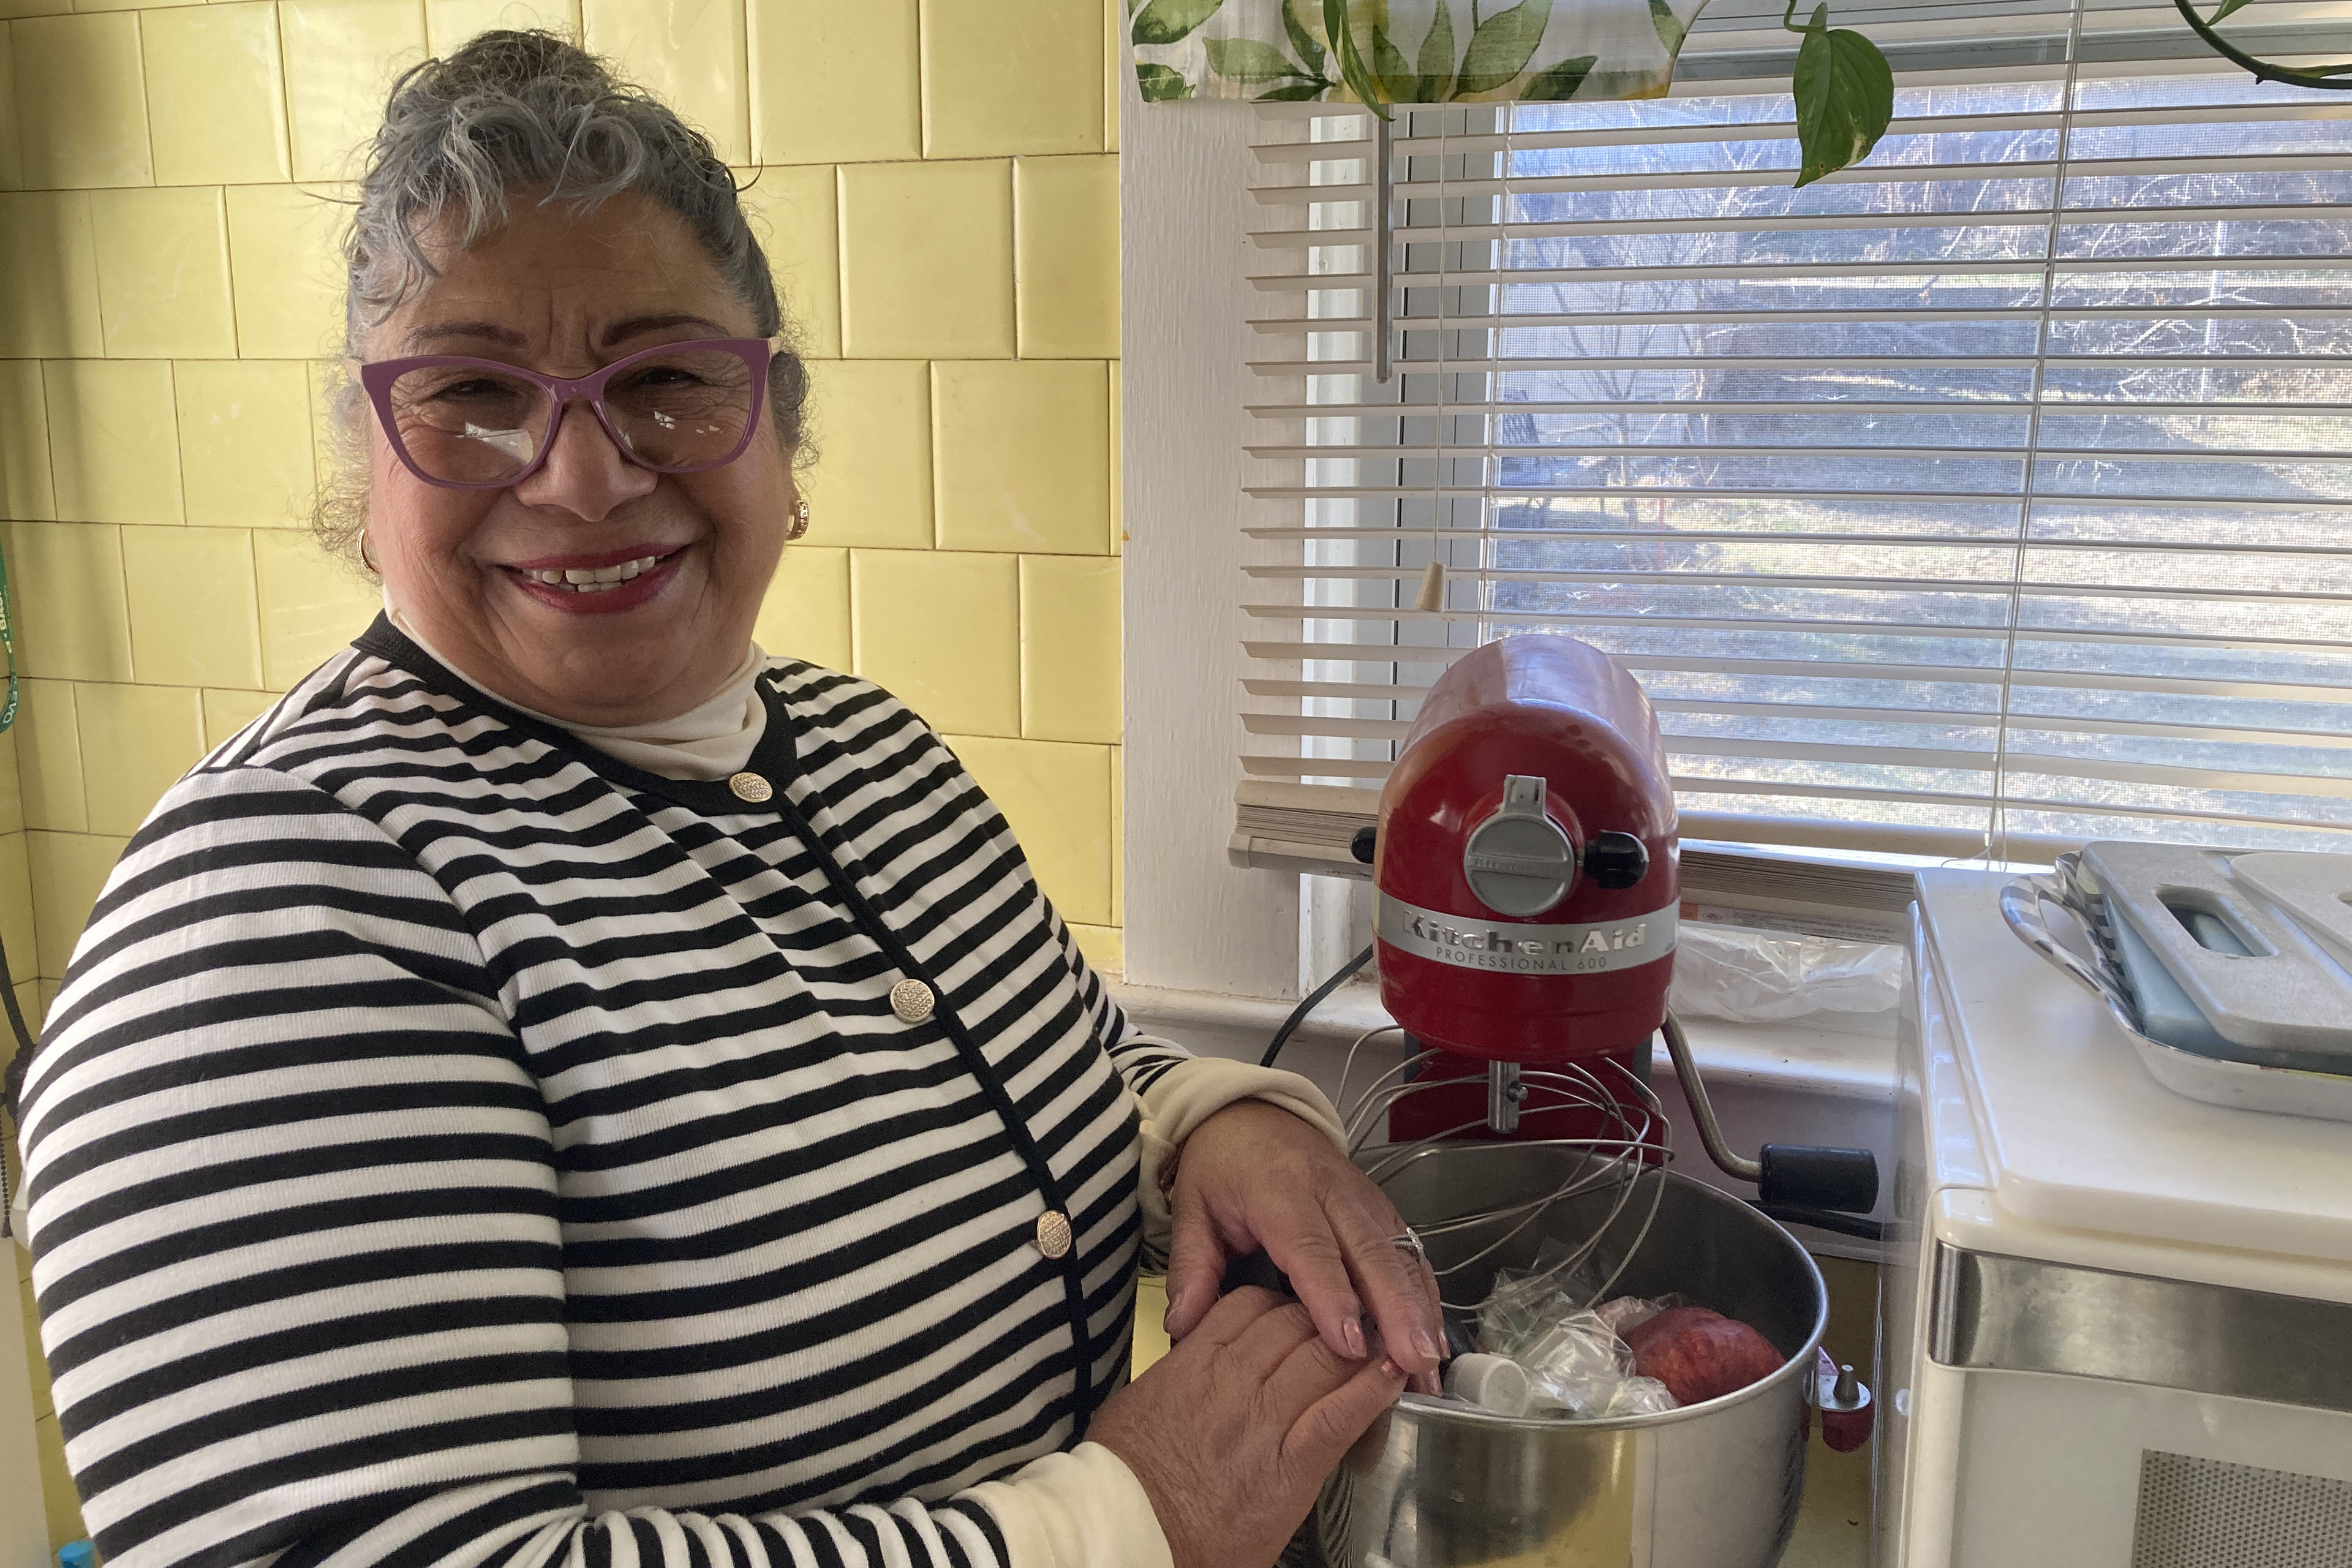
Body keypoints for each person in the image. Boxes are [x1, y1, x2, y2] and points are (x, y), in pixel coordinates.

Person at [10, 32, 1443, 1568]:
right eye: (473, 393)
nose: (579, 476)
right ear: (368, 466)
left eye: (670, 379)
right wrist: (1128, 1520)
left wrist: (1207, 1124)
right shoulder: (275, 912)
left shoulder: (869, 750)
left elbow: (1057, 1057)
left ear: (782, 438)